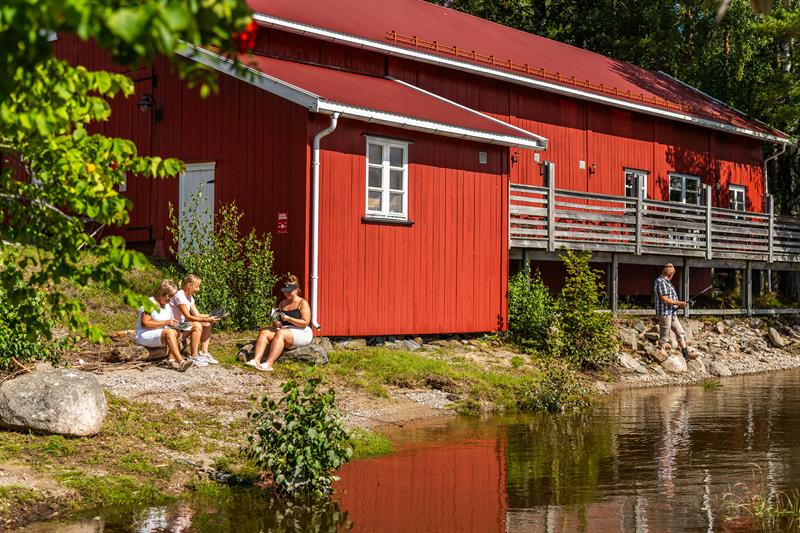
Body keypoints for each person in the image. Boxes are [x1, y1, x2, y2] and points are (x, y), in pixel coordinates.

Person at [245, 275, 312, 371]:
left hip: (302, 331)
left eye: (290, 291)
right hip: (286, 330)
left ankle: (269, 364)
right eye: (285, 290)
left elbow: (305, 322)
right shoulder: (282, 303)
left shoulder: (303, 303)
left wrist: (289, 319)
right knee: (264, 331)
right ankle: (256, 360)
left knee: (280, 333)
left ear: (297, 290)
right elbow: (279, 321)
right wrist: (277, 323)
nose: (287, 293)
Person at [135, 279, 193, 372]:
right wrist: (166, 322)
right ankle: (181, 362)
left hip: (159, 333)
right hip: (144, 334)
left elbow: (167, 322)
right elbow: (145, 323)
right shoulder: (150, 303)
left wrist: (177, 325)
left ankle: (170, 359)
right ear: (162, 293)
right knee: (170, 332)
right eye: (169, 296)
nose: (170, 299)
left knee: (187, 327)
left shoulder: (166, 305)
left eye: (172, 296)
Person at [171, 274, 220, 366]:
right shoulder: (180, 295)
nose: (198, 289)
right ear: (189, 285)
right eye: (197, 287)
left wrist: (212, 316)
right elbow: (189, 317)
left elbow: (197, 314)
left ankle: (204, 352)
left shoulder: (190, 298)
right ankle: (194, 356)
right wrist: (207, 318)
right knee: (197, 325)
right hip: (173, 325)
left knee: (207, 323)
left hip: (181, 325)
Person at [654, 263, 696, 360]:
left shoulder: (667, 282)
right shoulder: (661, 282)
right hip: (665, 313)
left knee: (680, 332)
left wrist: (679, 304)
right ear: (670, 274)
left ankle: (686, 355)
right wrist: (679, 303)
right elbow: (664, 299)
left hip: (672, 313)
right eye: (673, 275)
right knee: (664, 335)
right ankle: (660, 355)